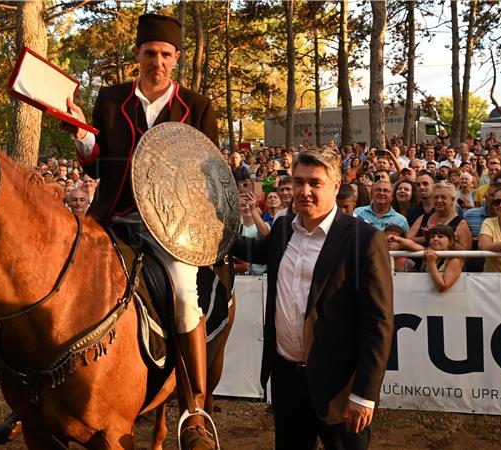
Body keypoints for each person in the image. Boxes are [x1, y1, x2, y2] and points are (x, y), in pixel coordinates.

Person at [62, 13, 219, 447]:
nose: (157, 61)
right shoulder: (110, 99)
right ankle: (29, 398)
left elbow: (210, 173)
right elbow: (94, 160)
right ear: (137, 56)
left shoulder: (198, 106)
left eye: (166, 54)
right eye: (150, 53)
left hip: (171, 228)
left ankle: (195, 412)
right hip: (113, 218)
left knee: (187, 297)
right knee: (55, 279)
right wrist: (80, 132)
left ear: (176, 58)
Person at [231, 149, 394, 450]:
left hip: (340, 389)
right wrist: (212, 232)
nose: (304, 191)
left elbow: (379, 325)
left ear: (335, 186)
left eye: (315, 183)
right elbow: (252, 250)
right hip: (287, 380)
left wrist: (364, 395)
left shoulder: (365, 240)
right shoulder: (283, 229)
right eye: (298, 182)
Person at [390, 225, 464, 292]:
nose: (435, 239)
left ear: (450, 242)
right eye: (432, 236)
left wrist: (431, 263)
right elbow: (412, 244)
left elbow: (442, 287)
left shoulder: (454, 260)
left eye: (440, 236)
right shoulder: (428, 252)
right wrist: (396, 238)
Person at [407, 181, 472, 250]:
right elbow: (408, 239)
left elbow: (466, 253)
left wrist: (447, 239)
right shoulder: (423, 217)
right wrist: (426, 238)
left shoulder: (461, 223)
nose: (439, 200)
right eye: (436, 197)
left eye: (443, 197)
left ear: (452, 200)